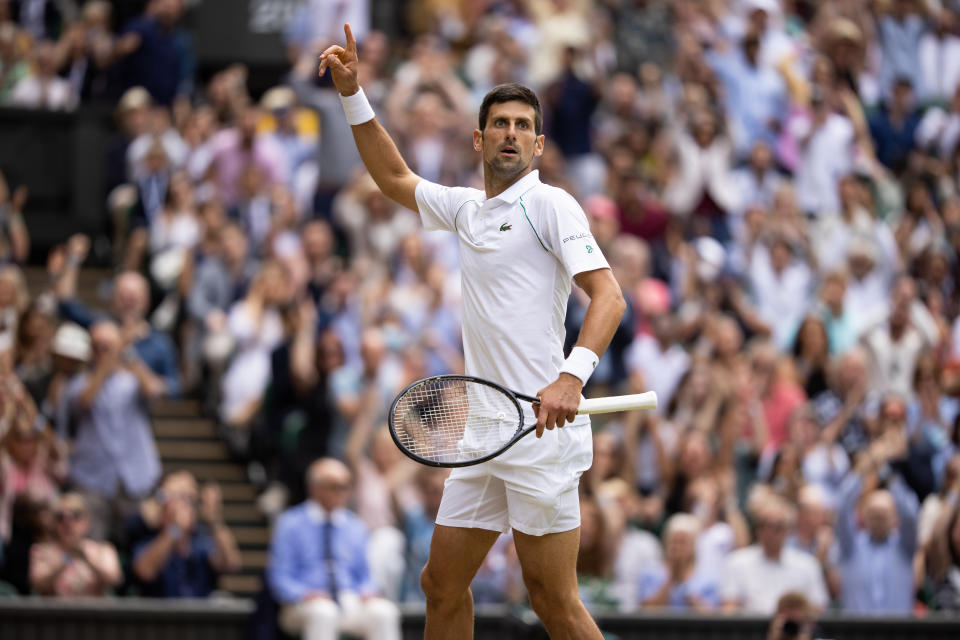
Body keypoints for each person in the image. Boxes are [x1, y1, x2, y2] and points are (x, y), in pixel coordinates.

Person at [319, 24, 626, 639]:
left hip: (542, 431)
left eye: (523, 126)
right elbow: (395, 179)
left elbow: (609, 297)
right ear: (480, 138)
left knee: (553, 600)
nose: (511, 133)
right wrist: (354, 93)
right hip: (486, 430)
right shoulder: (465, 209)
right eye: (501, 124)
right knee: (441, 584)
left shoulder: (552, 205)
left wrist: (571, 378)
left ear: (537, 145)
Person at [267, 458, 401, 640]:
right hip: (302, 604)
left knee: (384, 612)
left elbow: (364, 576)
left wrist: (367, 592)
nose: (342, 493)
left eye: (346, 486)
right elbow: (280, 577)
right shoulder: (290, 524)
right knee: (324, 612)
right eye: (335, 486)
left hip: (348, 599)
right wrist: (304, 594)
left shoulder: (355, 525)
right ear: (314, 488)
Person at [131, 470, 241, 597]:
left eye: (192, 500)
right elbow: (145, 571)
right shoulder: (147, 541)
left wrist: (214, 520)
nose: (188, 506)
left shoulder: (201, 544)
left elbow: (231, 563)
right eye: (182, 498)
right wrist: (174, 530)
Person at [29, 492, 122, 596]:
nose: (68, 523)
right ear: (54, 523)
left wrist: (86, 558)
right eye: (61, 517)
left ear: (87, 521)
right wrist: (64, 561)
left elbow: (114, 580)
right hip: (55, 611)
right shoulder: (42, 551)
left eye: (76, 515)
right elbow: (37, 583)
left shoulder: (103, 550)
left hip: (92, 611)